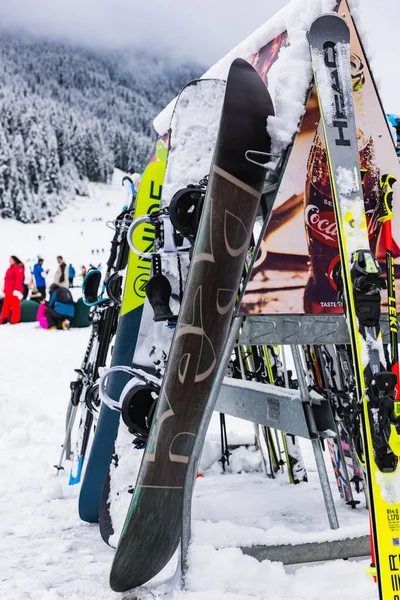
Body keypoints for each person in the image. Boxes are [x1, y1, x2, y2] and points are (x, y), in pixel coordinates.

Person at [0, 256, 25, 324]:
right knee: (5, 306)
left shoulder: (18, 268)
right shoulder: (10, 268)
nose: (10, 261)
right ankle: (4, 319)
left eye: (11, 259)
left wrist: (17, 289)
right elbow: (7, 280)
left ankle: (14, 320)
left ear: (15, 260)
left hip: (14, 291)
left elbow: (19, 279)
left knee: (15, 306)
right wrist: (4, 290)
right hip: (8, 291)